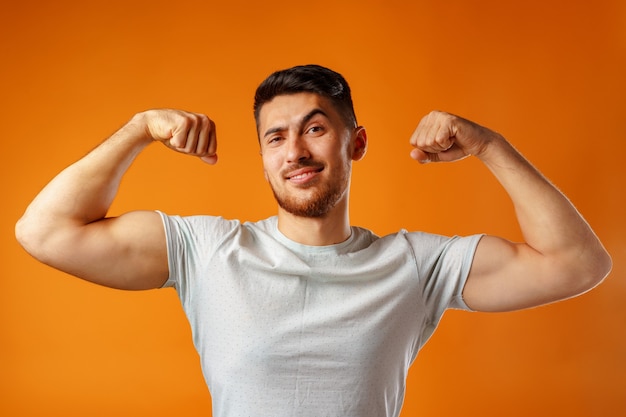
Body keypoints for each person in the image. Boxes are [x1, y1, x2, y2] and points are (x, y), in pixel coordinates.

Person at [15, 64, 611, 416]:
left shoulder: (416, 265)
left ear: (356, 143)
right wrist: (140, 129)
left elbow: (576, 264)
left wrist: (490, 146)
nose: (295, 151)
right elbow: (44, 232)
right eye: (275, 138)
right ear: (263, 158)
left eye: (316, 129)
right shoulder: (208, 252)